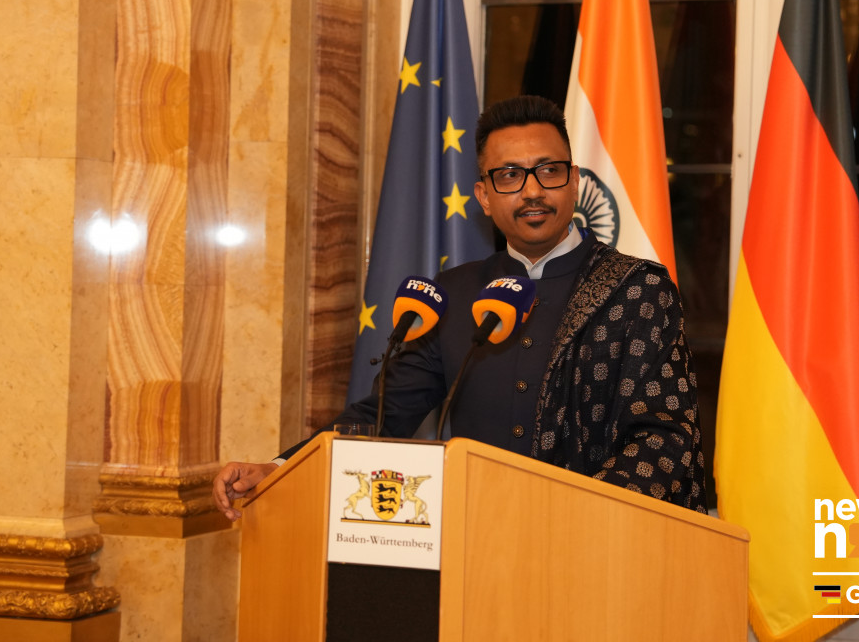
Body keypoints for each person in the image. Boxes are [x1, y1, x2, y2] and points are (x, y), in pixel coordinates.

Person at [213, 96, 705, 519]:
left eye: (549, 171)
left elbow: (664, 437)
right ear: (484, 197)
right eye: (509, 176)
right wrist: (278, 468)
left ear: (574, 182)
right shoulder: (452, 295)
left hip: (596, 549)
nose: (532, 191)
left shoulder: (637, 290)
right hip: (475, 543)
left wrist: (575, 517)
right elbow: (384, 415)